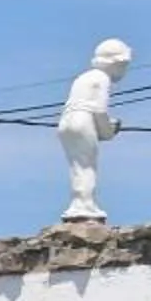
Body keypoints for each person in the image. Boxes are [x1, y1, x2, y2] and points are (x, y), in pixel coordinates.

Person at [57, 38, 130, 223]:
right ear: (115, 63)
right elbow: (98, 110)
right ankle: (85, 206)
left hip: (66, 122)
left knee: (77, 165)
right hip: (83, 120)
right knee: (88, 165)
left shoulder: (83, 77)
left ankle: (77, 202)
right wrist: (108, 130)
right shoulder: (102, 78)